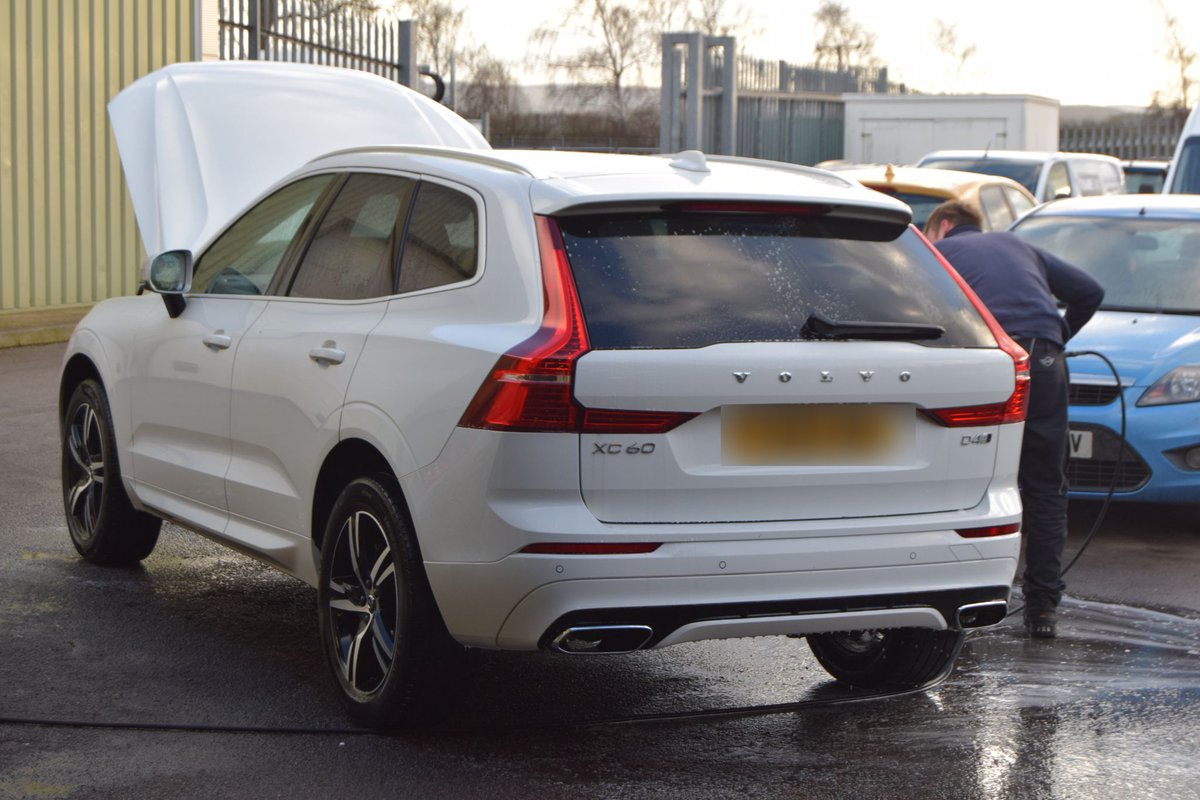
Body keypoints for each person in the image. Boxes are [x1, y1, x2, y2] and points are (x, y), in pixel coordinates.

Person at [924, 201, 1104, 638]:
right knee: (1044, 485)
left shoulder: (937, 256)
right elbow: (1090, 292)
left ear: (944, 226)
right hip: (1043, 358)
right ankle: (1042, 608)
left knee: (964, 481)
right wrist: (1054, 338)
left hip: (985, 361)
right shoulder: (1017, 244)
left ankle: (960, 596)